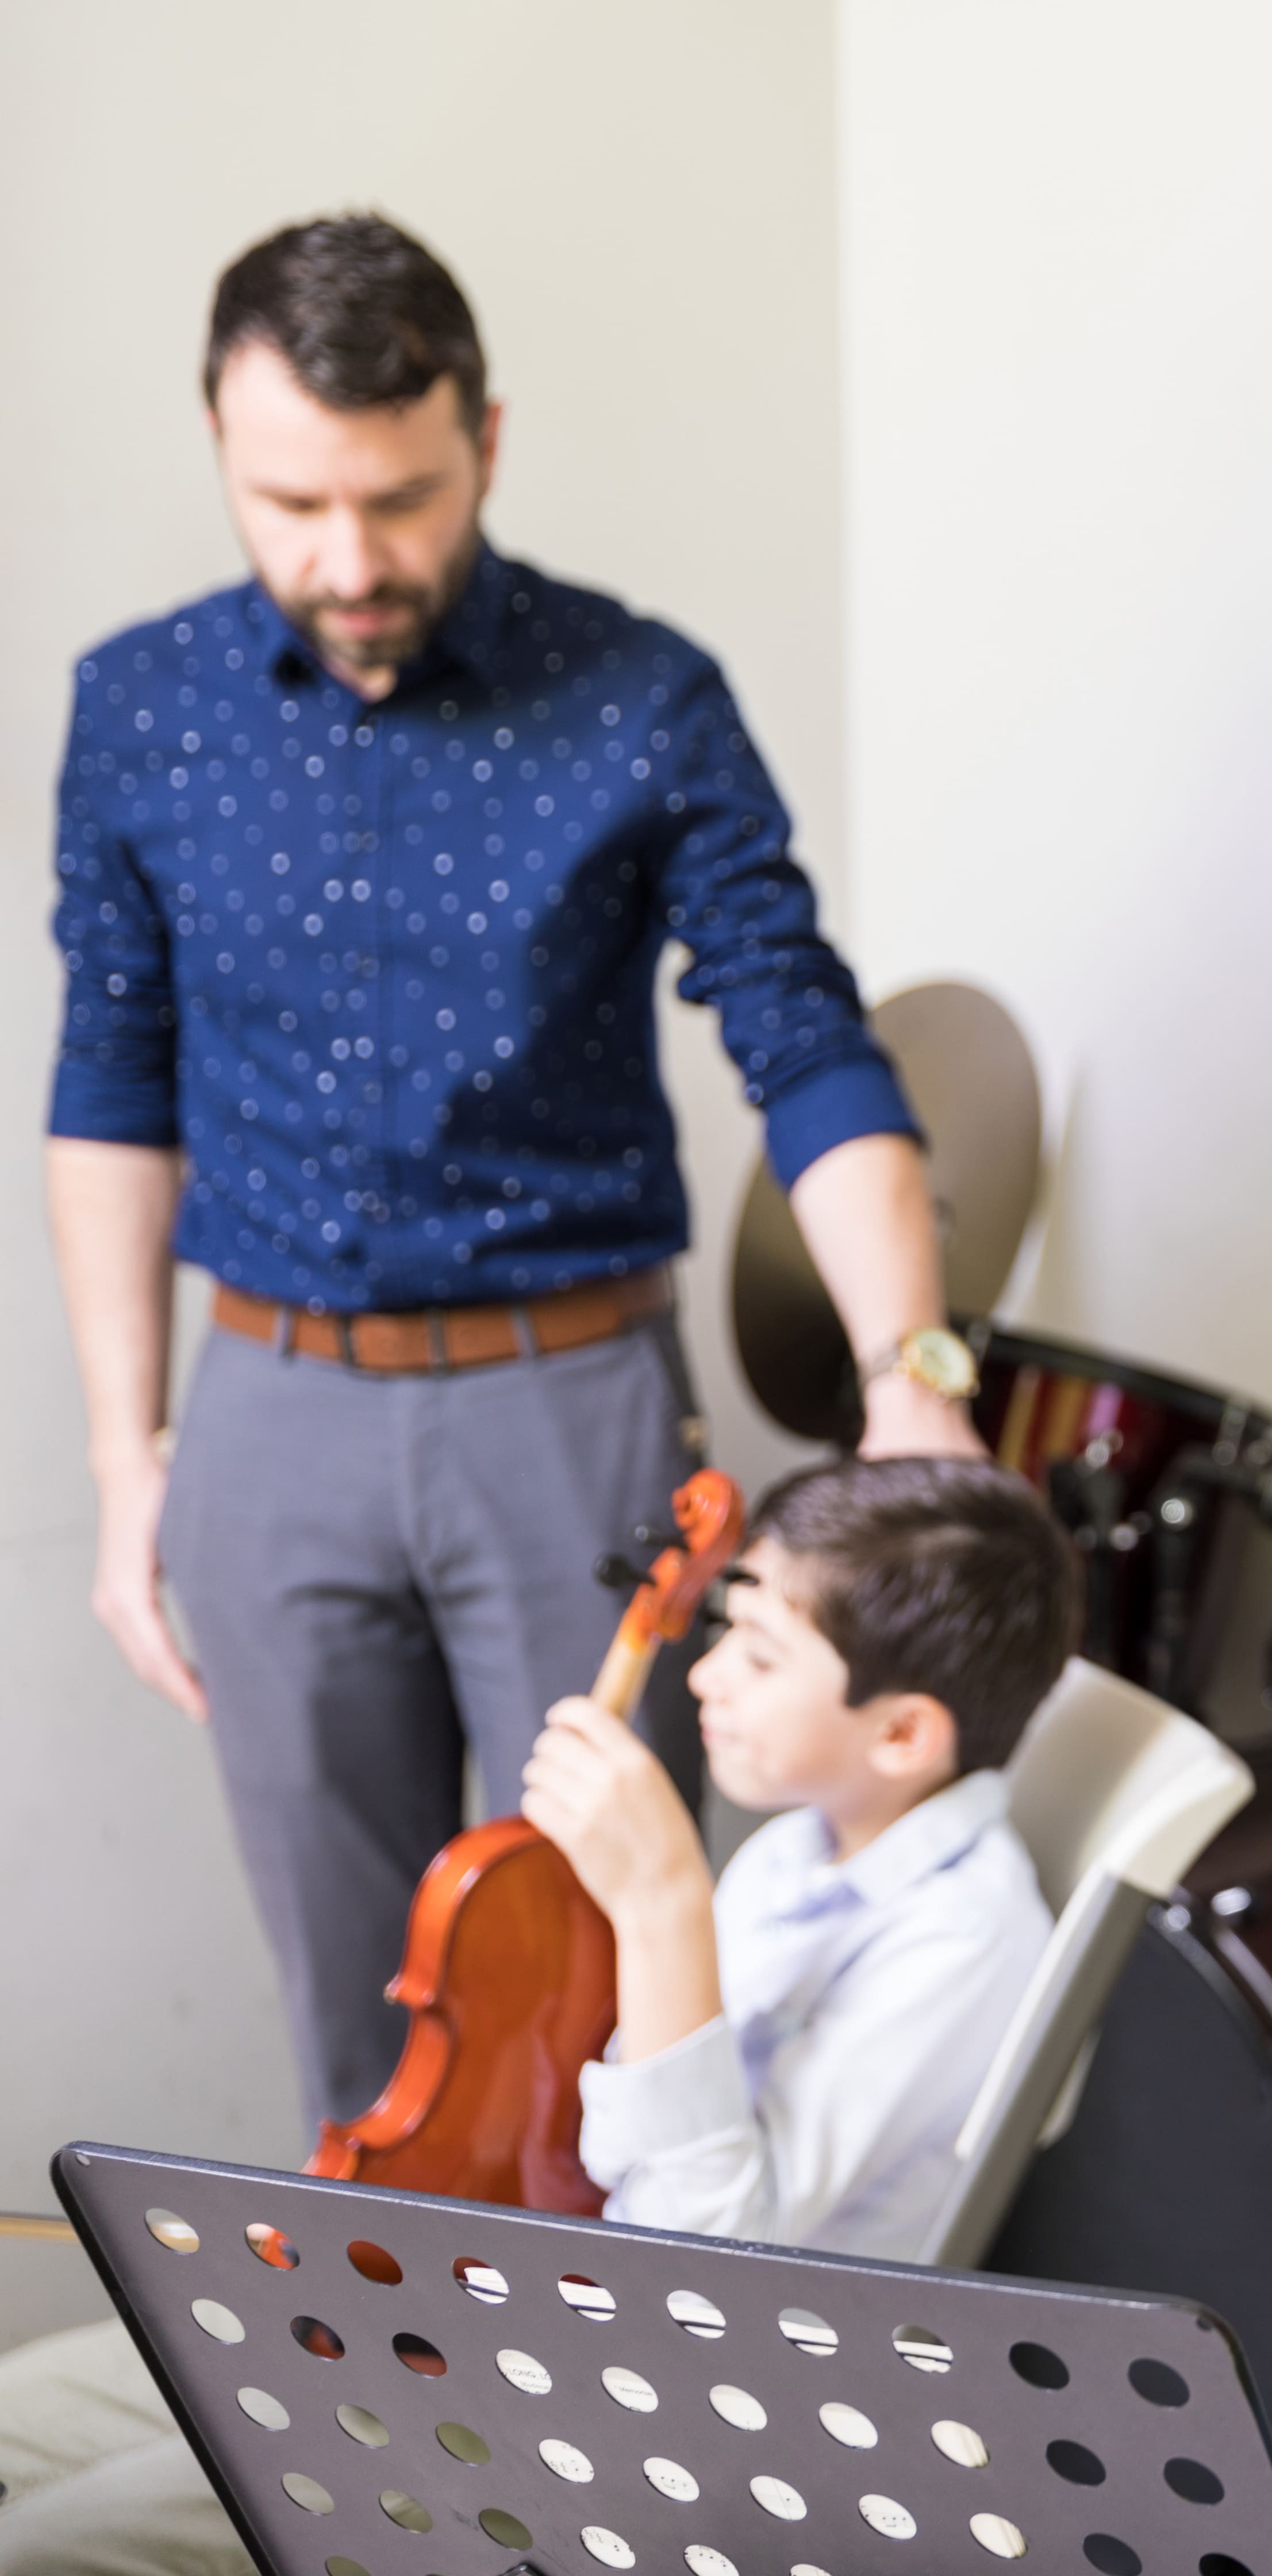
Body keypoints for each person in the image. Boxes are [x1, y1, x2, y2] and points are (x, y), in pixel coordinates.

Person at [43, 212, 992, 2137]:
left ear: (488, 435)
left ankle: (605, 2416)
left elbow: (800, 1034)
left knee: (597, 1999)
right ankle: (378, 2427)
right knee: (359, 2024)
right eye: (289, 501)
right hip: (269, 1424)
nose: (348, 560)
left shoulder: (641, 696)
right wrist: (128, 1456)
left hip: (569, 1422)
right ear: (222, 454)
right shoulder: (141, 709)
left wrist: (913, 1371)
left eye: (398, 498)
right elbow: (108, 1085)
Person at [0, 1454, 1079, 2576]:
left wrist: (662, 1909)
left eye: (759, 1657)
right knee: (18, 2414)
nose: (706, 1676)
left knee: (49, 2544)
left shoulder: (965, 1941)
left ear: (903, 1734)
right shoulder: (806, 1844)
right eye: (725, 1630)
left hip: (650, 2412)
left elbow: (708, 2277)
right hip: (525, 2314)